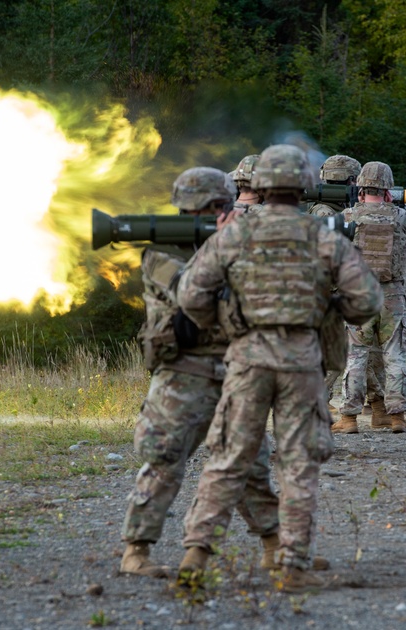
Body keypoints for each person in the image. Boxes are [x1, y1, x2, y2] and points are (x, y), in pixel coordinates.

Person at [175, 144, 383, 592]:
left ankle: (196, 555)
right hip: (303, 362)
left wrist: (229, 323)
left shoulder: (232, 235)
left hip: (247, 359)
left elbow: (191, 295)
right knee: (298, 464)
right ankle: (291, 566)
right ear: (306, 185)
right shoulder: (324, 236)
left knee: (229, 457)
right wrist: (330, 309)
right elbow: (368, 302)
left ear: (261, 185)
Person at [119, 167, 281, 579]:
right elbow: (193, 293)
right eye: (215, 207)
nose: (222, 212)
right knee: (164, 460)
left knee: (252, 463)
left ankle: (275, 548)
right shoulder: (160, 254)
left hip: (233, 370)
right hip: (181, 373)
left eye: (223, 206)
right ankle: (136, 551)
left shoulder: (235, 244)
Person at [334, 161, 406, 434]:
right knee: (394, 357)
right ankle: (397, 417)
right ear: (388, 190)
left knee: (356, 356)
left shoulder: (348, 216)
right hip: (392, 296)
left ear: (360, 189)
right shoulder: (401, 217)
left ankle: (349, 419)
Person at [308, 154, 384, 420]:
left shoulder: (326, 209)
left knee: (358, 348)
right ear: (350, 180)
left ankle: (378, 403)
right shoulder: (327, 214)